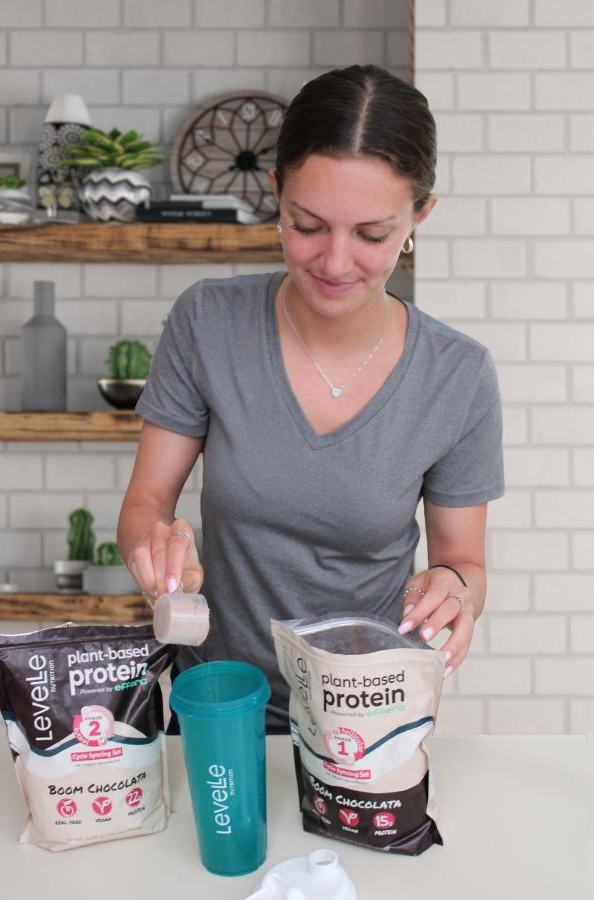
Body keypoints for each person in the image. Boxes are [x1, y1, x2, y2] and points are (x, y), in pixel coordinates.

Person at [117, 65, 504, 732]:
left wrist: (457, 593)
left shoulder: (458, 375)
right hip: (217, 704)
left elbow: (462, 563)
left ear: (419, 217)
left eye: (372, 235)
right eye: (308, 225)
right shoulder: (209, 322)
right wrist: (155, 545)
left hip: (369, 716)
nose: (334, 261)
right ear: (276, 194)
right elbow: (145, 507)